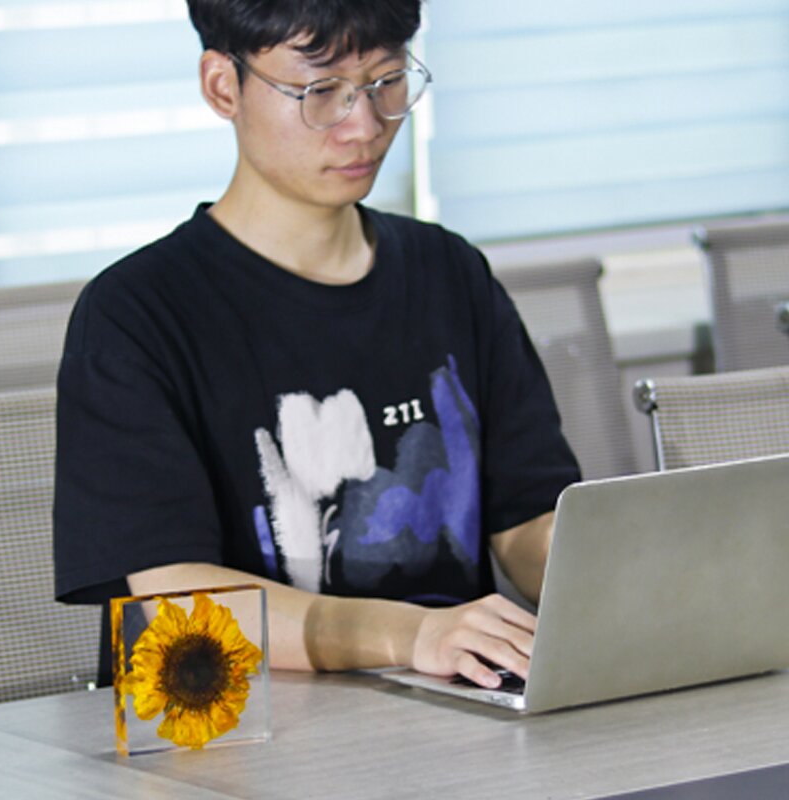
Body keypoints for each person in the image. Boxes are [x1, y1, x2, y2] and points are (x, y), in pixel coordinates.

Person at [53, 0, 580, 691]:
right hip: (239, 748)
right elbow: (176, 595)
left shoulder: (449, 273)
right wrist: (410, 634)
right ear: (222, 85)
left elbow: (529, 522)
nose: (363, 126)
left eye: (387, 81)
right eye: (320, 92)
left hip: (457, 725)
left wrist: (631, 579)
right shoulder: (137, 314)